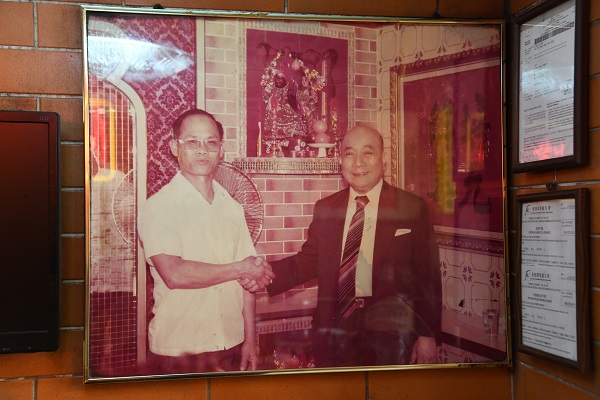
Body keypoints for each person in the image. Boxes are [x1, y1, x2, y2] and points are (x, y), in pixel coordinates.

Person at [263, 125, 441, 367]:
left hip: (390, 334)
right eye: (349, 153)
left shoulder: (412, 207)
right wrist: (263, 273)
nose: (358, 162)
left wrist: (428, 335)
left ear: (383, 159)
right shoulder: (326, 209)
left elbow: (427, 276)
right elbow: (309, 261)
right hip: (335, 331)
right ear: (340, 161)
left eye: (367, 153)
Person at [138, 108, 274, 373]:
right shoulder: (159, 206)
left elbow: (248, 281)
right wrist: (242, 268)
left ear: (221, 150)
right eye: (192, 142)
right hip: (180, 350)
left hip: (231, 344)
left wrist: (250, 339)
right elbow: (174, 274)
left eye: (211, 142)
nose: (203, 150)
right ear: (174, 147)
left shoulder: (233, 207)